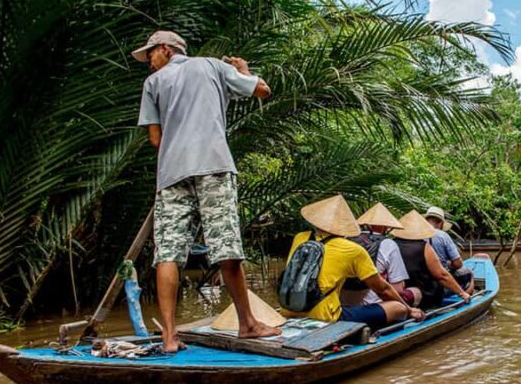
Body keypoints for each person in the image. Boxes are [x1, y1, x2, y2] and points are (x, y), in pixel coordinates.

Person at [133, 30, 279, 351]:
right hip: (212, 164)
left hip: (171, 172)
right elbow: (262, 90)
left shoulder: (152, 85)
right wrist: (242, 70)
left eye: (151, 55)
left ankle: (170, 336)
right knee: (225, 243)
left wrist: (178, 150)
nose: (149, 63)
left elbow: (156, 140)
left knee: (168, 252)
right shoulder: (212, 66)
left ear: (167, 50)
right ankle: (248, 324)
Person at [284, 195, 425, 330]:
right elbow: (383, 289)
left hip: (289, 308)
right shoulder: (352, 249)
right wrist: (409, 309)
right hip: (327, 317)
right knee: (398, 308)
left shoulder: (300, 238)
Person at [340, 203, 422, 308]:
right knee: (415, 292)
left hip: (343, 304)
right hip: (374, 305)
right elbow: (398, 288)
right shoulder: (388, 244)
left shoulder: (347, 239)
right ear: (386, 226)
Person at [393, 210, 472, 309]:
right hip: (427, 295)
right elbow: (441, 275)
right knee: (468, 274)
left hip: (404, 290)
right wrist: (462, 293)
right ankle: (466, 302)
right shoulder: (423, 247)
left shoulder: (391, 244)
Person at [424, 206, 474, 295]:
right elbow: (458, 264)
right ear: (440, 223)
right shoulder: (443, 236)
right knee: (469, 273)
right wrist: (450, 264)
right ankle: (466, 297)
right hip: (440, 281)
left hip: (422, 279)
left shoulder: (415, 234)